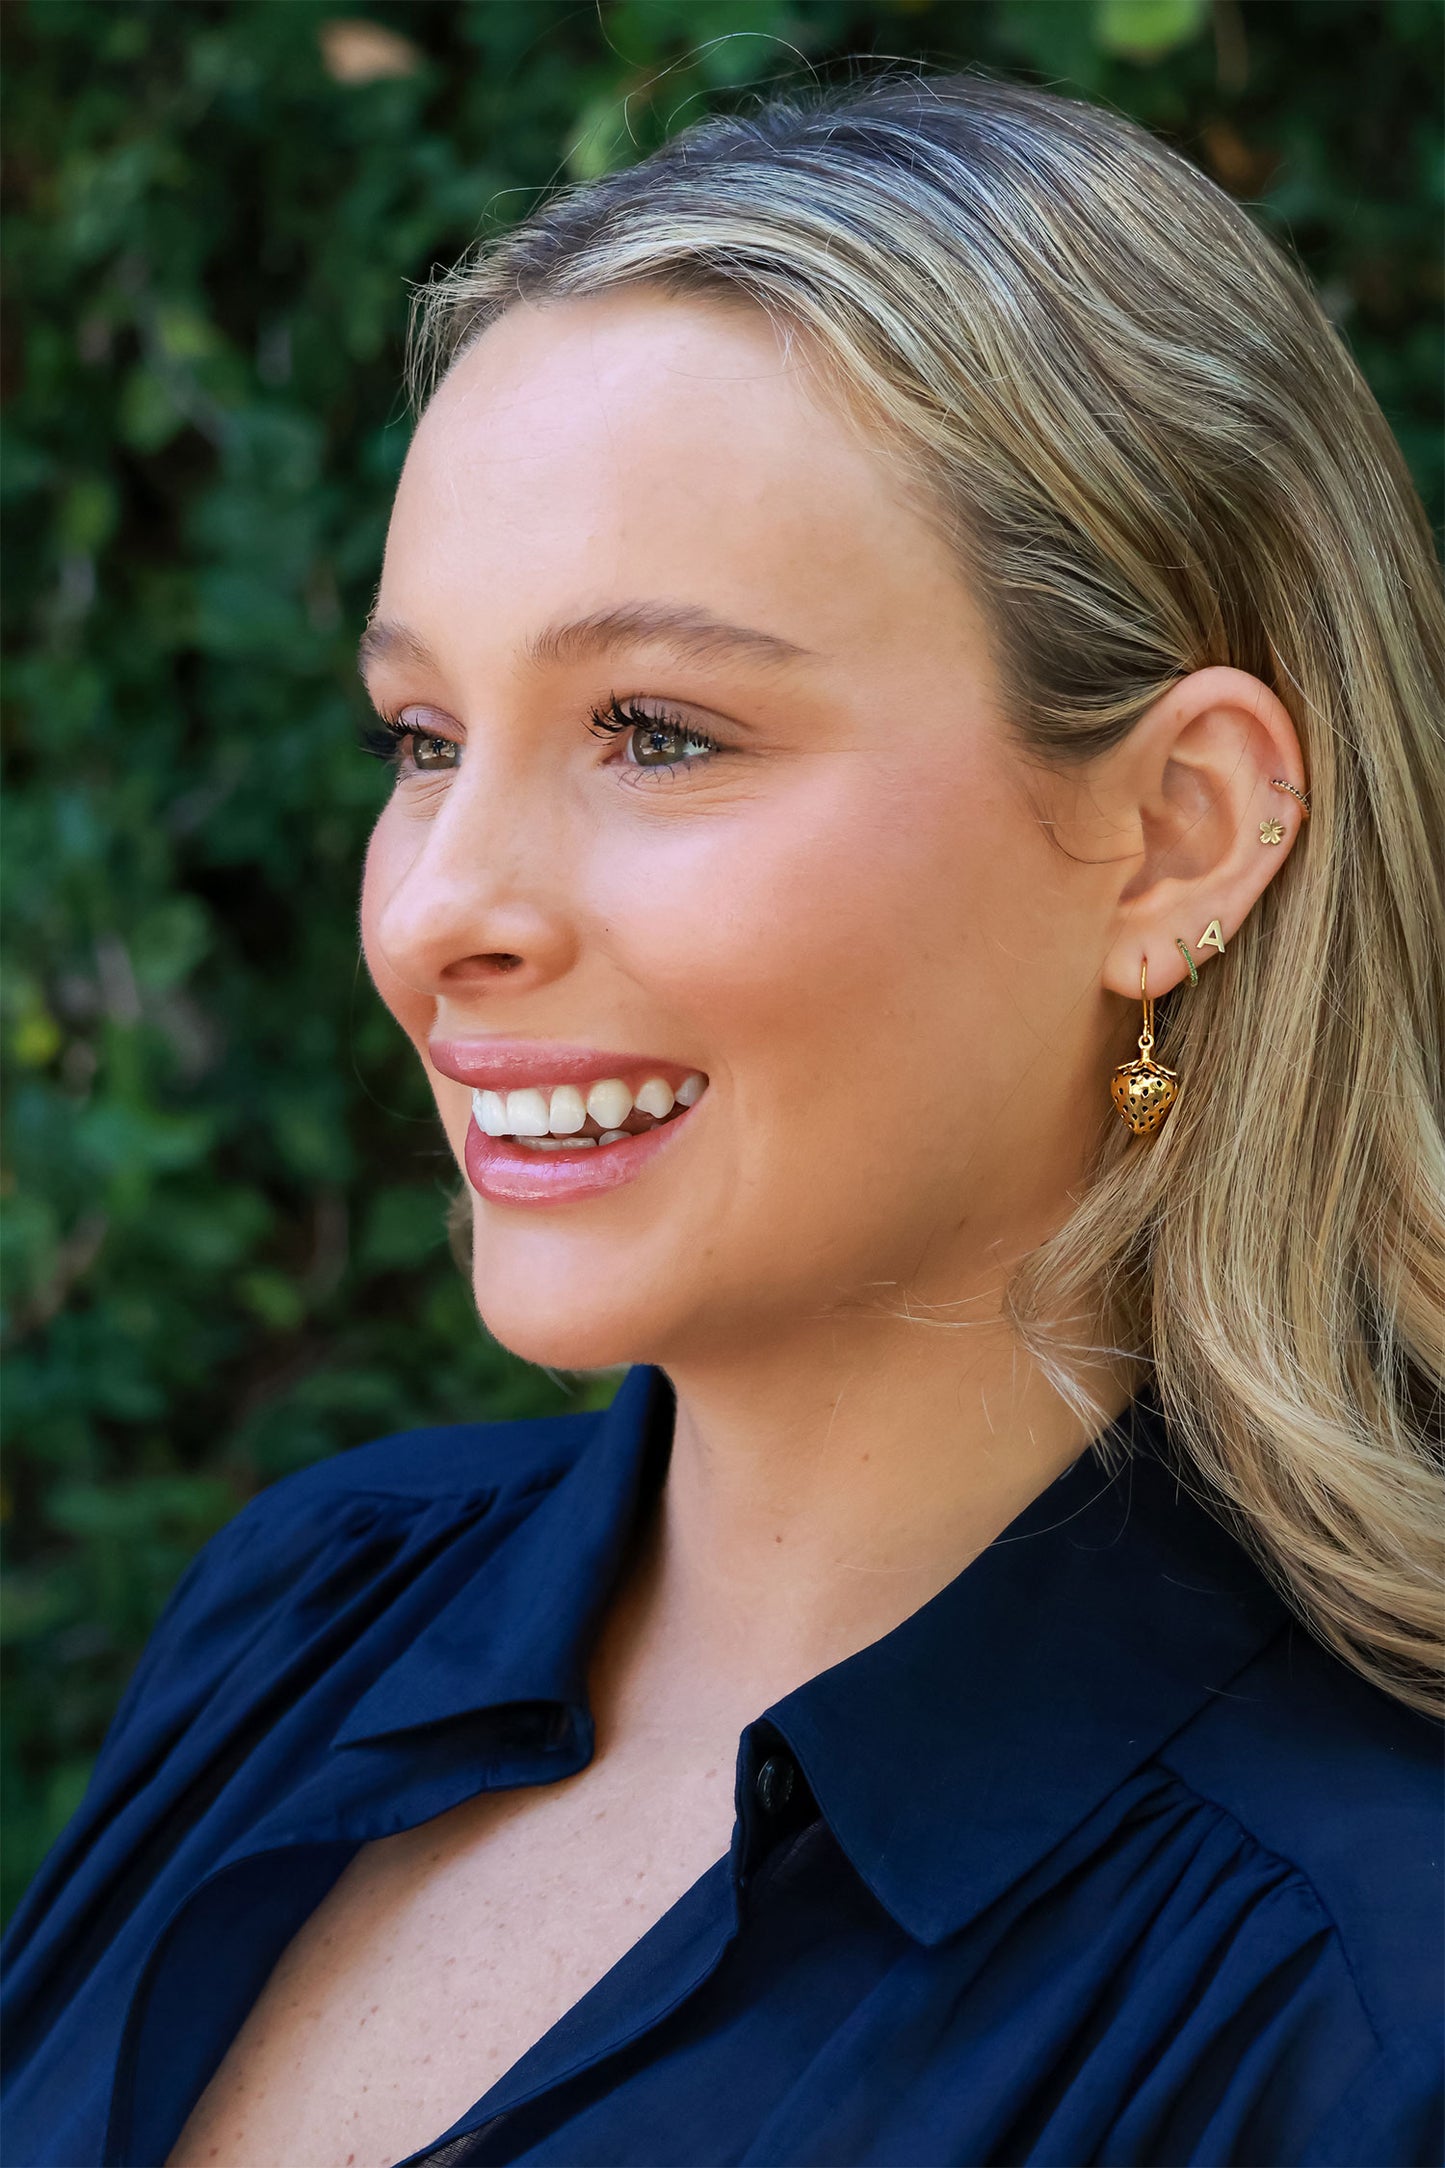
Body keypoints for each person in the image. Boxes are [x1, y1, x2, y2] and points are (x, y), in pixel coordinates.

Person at [3, 67, 1441, 2168]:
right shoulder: (312, 1610)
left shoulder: (1354, 1987)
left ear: (1171, 838)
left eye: (655, 732)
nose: (440, 915)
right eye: (421, 734)